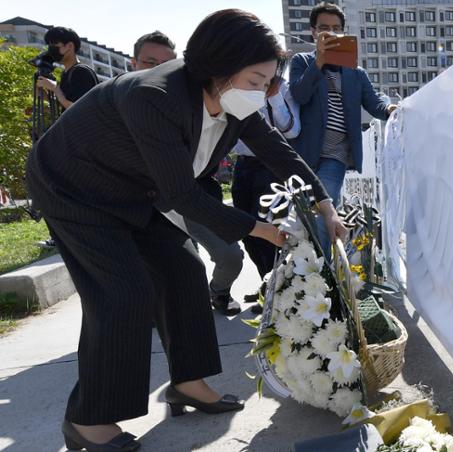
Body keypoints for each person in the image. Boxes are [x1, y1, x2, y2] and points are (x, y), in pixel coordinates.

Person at [26, 9, 345, 451]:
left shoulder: (234, 99)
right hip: (73, 186)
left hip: (130, 189)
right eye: (256, 81)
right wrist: (261, 229)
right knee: (123, 292)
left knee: (184, 270)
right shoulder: (154, 95)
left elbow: (276, 149)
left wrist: (323, 202)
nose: (262, 94)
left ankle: (188, 384)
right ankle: (87, 422)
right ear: (219, 69)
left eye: (268, 83)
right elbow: (184, 196)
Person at [131, 31, 245, 316]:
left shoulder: (198, 99)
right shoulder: (121, 105)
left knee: (230, 255)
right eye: (149, 62)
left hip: (196, 198)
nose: (158, 70)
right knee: (180, 269)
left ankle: (218, 292)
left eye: (167, 63)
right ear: (133, 63)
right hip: (146, 206)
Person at [289, 1, 397, 258]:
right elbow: (300, 95)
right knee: (299, 218)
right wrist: (319, 62)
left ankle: (324, 275)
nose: (332, 33)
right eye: (325, 28)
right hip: (305, 154)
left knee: (322, 213)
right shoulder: (302, 62)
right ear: (314, 32)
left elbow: (374, 101)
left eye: (337, 28)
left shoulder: (355, 72)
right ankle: (302, 278)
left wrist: (390, 108)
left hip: (335, 155)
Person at [232, 76, 301, 310]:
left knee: (269, 230)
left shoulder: (283, 88)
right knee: (246, 230)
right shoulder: (237, 84)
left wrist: (274, 97)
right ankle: (267, 285)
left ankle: (276, 291)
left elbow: (291, 130)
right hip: (243, 165)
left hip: (271, 166)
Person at [35, 26, 99, 249]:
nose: (51, 50)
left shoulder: (82, 72)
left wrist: (55, 89)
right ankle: (67, 235)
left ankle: (77, 235)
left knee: (72, 191)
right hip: (72, 140)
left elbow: (81, 108)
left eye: (55, 45)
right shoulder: (67, 73)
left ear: (69, 46)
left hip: (85, 143)